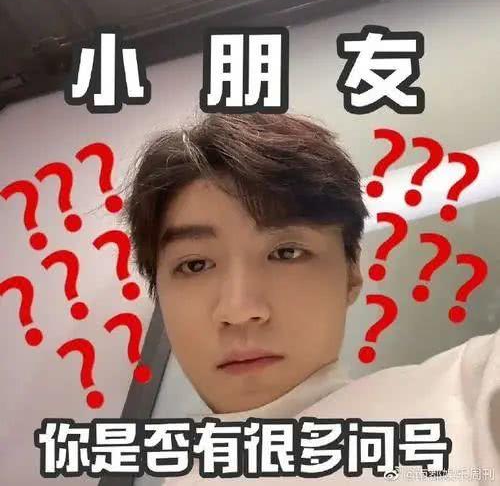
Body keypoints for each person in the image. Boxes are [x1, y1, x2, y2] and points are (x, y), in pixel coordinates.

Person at [123, 113, 499, 485]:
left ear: (351, 272)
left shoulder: (460, 407)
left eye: (286, 253)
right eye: (195, 265)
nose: (239, 310)